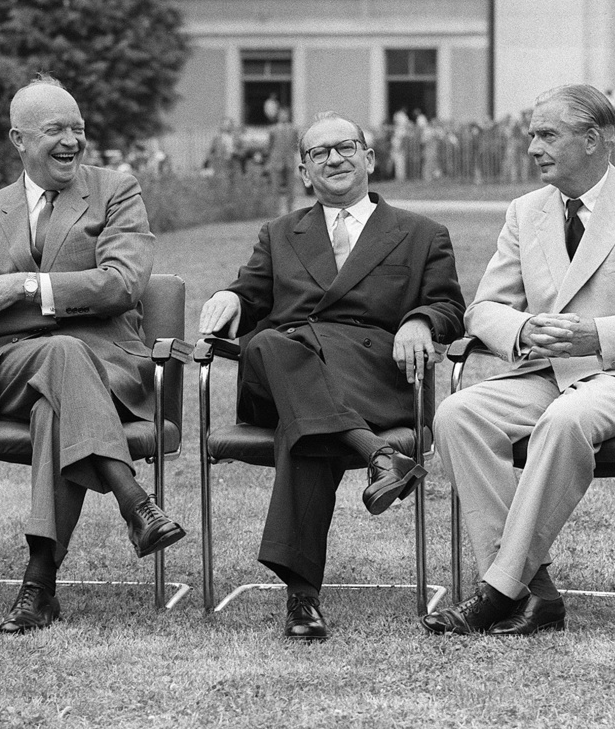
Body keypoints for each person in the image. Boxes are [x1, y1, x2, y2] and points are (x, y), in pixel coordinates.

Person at [423, 84, 615, 637]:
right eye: (531, 134)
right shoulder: (525, 212)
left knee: (564, 420)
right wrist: (524, 327)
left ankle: (498, 591)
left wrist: (601, 336)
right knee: (458, 413)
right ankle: (534, 590)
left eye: (547, 134)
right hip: (548, 373)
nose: (533, 147)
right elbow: (484, 307)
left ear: (594, 140)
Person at [198, 112, 466, 640]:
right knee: (276, 343)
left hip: (370, 377)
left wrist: (418, 319)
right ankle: (379, 455)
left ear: (368, 158)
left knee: (306, 428)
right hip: (276, 379)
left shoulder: (420, 233)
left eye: (345, 147)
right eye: (319, 153)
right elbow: (252, 294)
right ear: (303, 172)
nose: (334, 159)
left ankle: (302, 599)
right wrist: (232, 294)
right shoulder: (278, 234)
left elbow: (449, 306)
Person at [0, 77, 186, 635]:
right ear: (18, 139)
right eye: (55, 129)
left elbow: (124, 284)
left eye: (78, 129)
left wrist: (25, 289)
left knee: (52, 409)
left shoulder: (116, 191)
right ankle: (133, 500)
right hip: (5, 370)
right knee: (62, 349)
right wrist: (70, 299)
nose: (72, 141)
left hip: (105, 371)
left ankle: (38, 586)